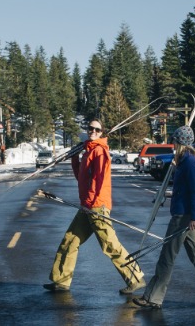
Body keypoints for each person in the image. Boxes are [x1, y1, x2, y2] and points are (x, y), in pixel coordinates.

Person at [132, 125, 195, 309]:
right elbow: (185, 190)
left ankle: (153, 297)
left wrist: (194, 217)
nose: (171, 143)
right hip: (184, 213)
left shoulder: (190, 162)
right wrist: (169, 194)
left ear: (179, 142)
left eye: (174, 140)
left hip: (183, 217)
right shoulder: (183, 160)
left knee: (166, 257)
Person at [44, 118, 146, 294]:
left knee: (109, 244)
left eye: (97, 130)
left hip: (96, 205)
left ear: (102, 133)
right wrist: (75, 159)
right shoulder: (88, 151)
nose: (92, 131)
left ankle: (136, 278)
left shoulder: (99, 151)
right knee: (70, 240)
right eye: (90, 128)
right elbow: (82, 179)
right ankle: (61, 281)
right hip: (88, 205)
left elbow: (98, 181)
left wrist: (90, 204)